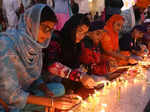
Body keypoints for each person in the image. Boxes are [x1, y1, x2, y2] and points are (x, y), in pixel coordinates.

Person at [0, 4, 81, 112]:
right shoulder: (6, 44)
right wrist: (52, 102)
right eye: (46, 29)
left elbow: (34, 77)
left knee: (58, 89)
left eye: (51, 30)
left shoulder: (34, 45)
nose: (48, 36)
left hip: (25, 93)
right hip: (5, 100)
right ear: (31, 23)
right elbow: (11, 95)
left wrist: (46, 91)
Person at [43, 14, 96, 93]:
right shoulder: (56, 39)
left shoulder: (77, 45)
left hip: (65, 81)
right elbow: (52, 66)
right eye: (80, 31)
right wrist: (80, 77)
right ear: (72, 28)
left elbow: (75, 66)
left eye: (84, 33)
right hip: (48, 82)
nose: (81, 36)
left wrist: (83, 74)